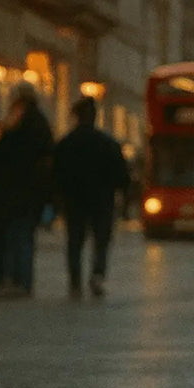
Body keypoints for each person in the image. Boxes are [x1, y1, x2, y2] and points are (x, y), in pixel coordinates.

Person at [53, 96, 130, 297]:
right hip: (101, 200)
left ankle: (75, 281)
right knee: (101, 240)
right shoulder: (108, 144)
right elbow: (121, 175)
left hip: (75, 200)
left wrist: (58, 197)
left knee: (75, 241)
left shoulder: (66, 143)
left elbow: (56, 174)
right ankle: (97, 274)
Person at [0, 81, 53, 296]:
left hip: (15, 190)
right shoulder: (38, 122)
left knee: (17, 236)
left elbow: (6, 154)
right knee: (21, 236)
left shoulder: (18, 122)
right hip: (28, 191)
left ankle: (18, 282)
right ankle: (20, 281)